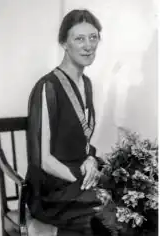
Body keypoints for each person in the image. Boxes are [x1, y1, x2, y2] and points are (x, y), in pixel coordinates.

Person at [26, 9, 119, 236]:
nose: (89, 45)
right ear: (64, 44)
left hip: (80, 176)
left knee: (130, 195)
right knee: (108, 214)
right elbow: (44, 161)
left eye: (93, 37)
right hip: (53, 188)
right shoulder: (48, 87)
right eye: (79, 38)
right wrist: (86, 180)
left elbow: (83, 139)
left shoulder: (86, 84)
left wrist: (90, 160)